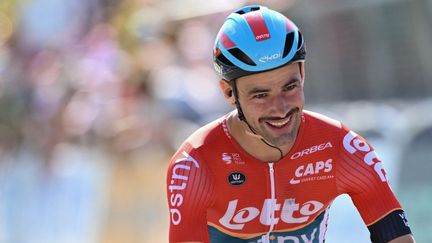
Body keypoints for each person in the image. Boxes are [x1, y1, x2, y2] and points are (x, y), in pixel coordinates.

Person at [166, 5, 415, 243]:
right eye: (261, 95)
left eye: (290, 87)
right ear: (229, 92)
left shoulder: (343, 148)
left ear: (303, 75)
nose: (280, 107)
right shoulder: (195, 165)